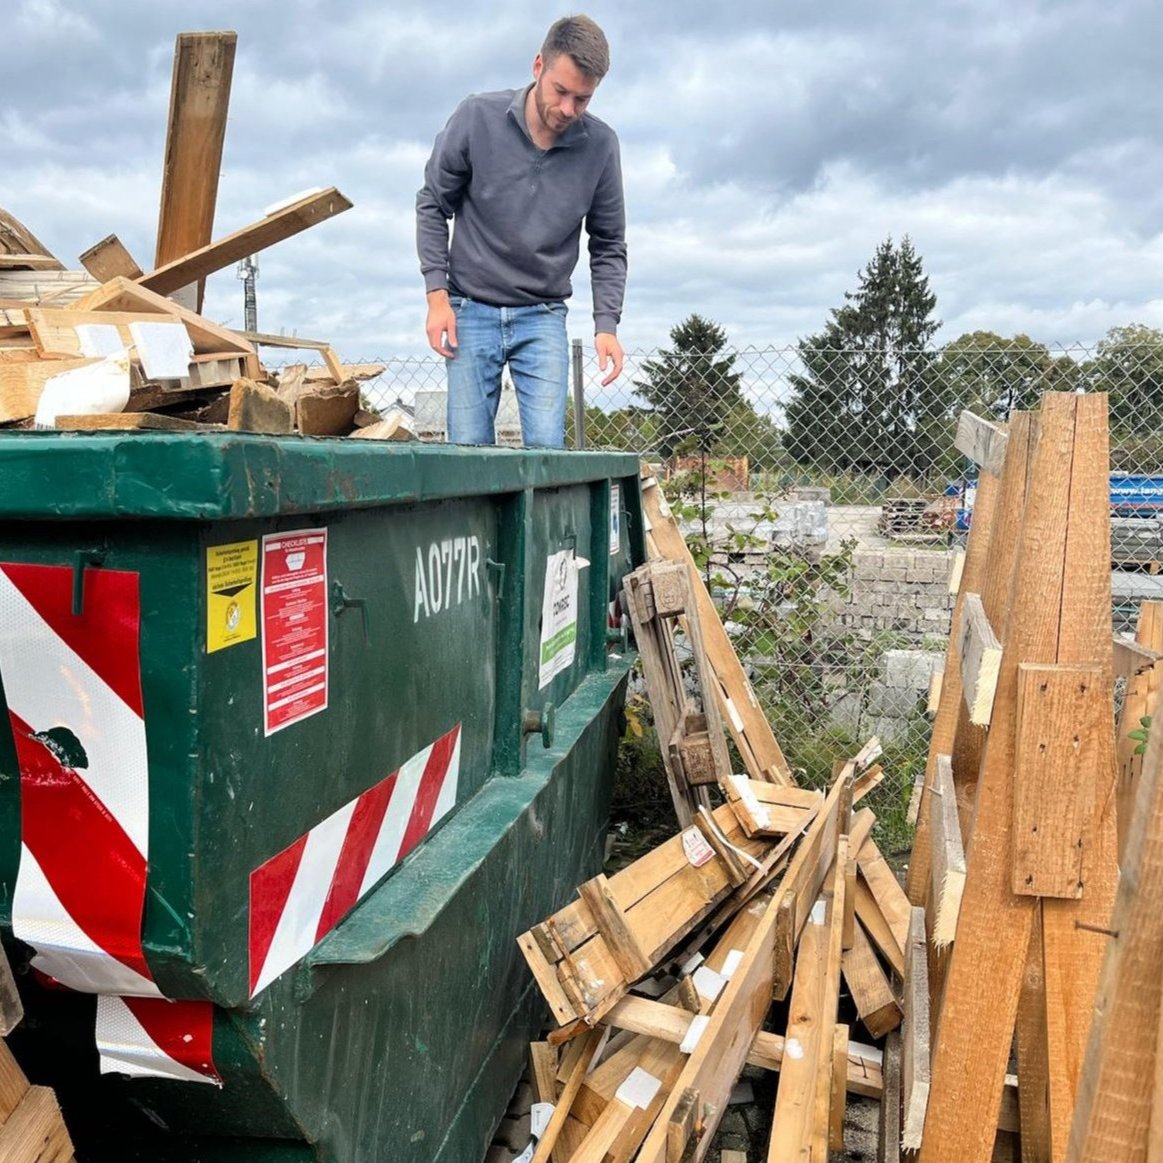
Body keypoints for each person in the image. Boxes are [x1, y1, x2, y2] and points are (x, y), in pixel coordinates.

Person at [416, 15, 626, 448]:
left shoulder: (601, 146)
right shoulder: (477, 117)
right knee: (468, 456)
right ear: (538, 67)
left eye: (582, 100)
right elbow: (433, 202)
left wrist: (607, 325)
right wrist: (437, 296)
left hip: (544, 317)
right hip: (470, 311)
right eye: (561, 92)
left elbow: (608, 244)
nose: (568, 109)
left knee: (547, 455)